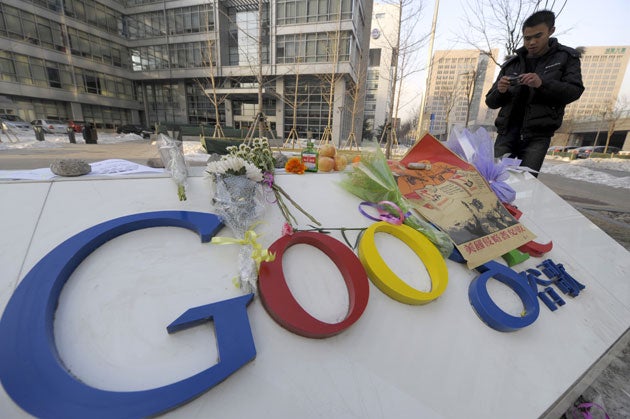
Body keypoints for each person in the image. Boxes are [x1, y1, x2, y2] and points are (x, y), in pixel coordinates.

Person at [485, 10, 584, 176]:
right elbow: (491, 101)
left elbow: (574, 91)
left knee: (526, 184)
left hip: (537, 136)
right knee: (493, 180)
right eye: (527, 38)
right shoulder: (512, 64)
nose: (531, 42)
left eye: (538, 36)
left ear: (551, 31)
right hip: (506, 133)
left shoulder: (566, 57)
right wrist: (501, 91)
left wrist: (541, 83)